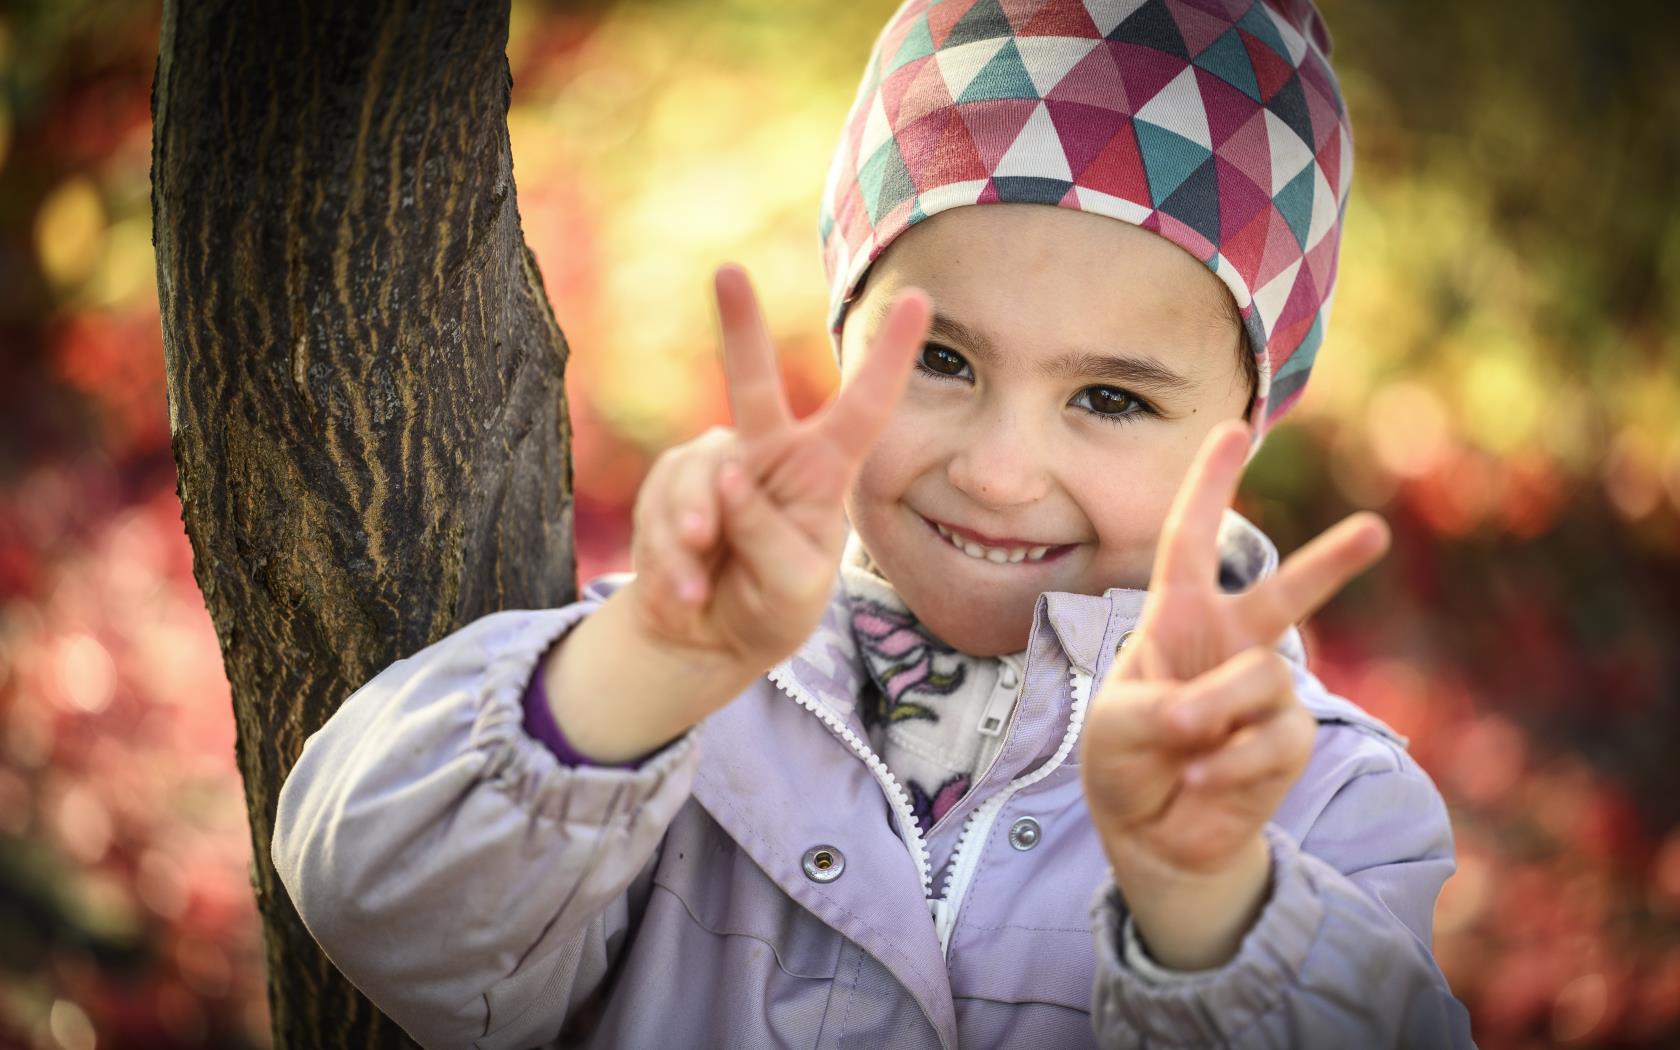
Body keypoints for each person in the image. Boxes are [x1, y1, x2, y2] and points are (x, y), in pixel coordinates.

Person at [272, 1, 1477, 1046]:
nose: (1001, 474)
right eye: (940, 358)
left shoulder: (1317, 801)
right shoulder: (677, 685)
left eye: (1110, 398)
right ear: (846, 327)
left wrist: (1213, 904)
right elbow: (374, 911)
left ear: (1250, 422)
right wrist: (651, 662)